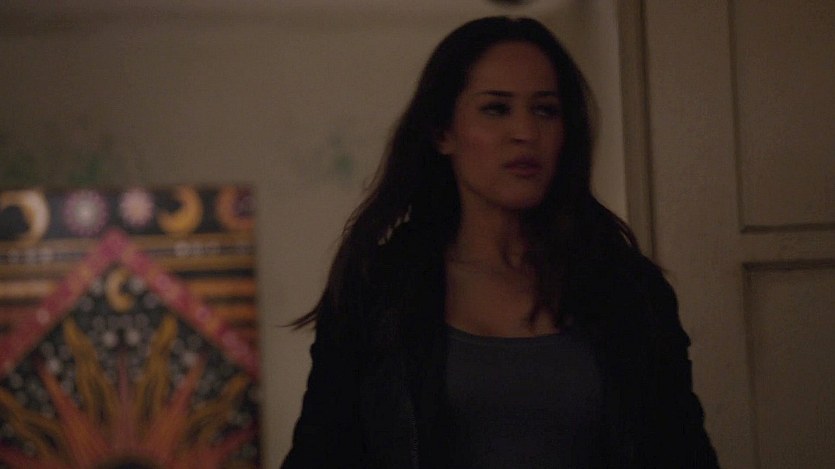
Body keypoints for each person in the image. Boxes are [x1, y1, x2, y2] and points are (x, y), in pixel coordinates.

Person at [282, 16, 719, 469]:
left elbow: (683, 453)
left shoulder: (628, 288)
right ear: (443, 132)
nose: (525, 132)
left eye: (545, 110)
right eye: (496, 109)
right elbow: (322, 453)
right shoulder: (379, 290)